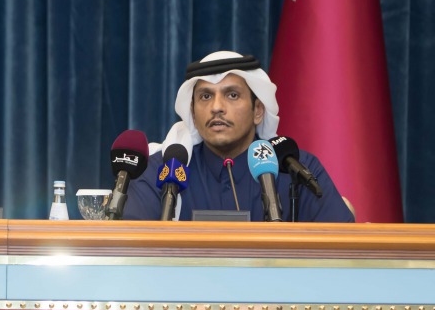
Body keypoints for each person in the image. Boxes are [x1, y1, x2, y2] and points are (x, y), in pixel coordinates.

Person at [122, 50, 354, 222]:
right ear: (192, 112)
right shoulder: (162, 170)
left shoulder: (296, 170)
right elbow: (130, 250)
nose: (216, 107)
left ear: (258, 111)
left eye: (232, 95)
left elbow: (340, 250)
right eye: (205, 97)